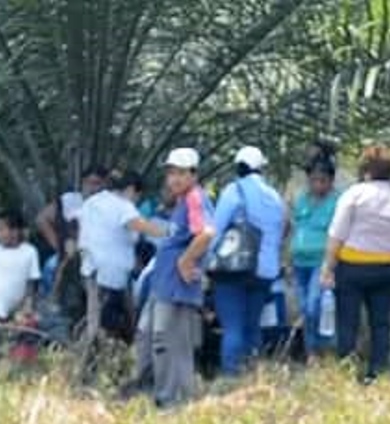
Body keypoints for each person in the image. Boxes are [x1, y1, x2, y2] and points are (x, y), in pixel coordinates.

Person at [321, 146, 390, 384]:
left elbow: (337, 235)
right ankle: (377, 372)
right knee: (381, 324)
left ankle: (346, 371)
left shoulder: (354, 195)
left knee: (348, 323)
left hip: (351, 267)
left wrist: (328, 267)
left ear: (365, 170)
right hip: (385, 269)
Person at [144, 148, 215, 407]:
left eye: (181, 173)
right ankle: (167, 395)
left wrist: (185, 260)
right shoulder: (183, 202)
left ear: (194, 175)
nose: (174, 179)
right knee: (162, 339)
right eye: (171, 173)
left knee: (172, 342)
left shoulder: (195, 199)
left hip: (177, 287)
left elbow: (206, 233)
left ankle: (175, 400)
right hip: (166, 286)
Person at [210, 146, 287, 377]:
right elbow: (279, 232)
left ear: (238, 167)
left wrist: (204, 262)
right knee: (252, 326)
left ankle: (230, 378)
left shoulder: (234, 191)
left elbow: (215, 231)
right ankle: (254, 375)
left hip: (234, 270)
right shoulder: (274, 196)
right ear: (261, 168)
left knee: (232, 327)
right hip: (264, 273)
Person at [78, 170, 166, 342]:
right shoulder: (124, 206)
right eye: (137, 197)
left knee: (94, 320)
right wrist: (168, 232)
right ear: (132, 190)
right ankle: (98, 359)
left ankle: (85, 361)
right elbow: (136, 224)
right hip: (109, 276)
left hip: (90, 269)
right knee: (105, 324)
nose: (136, 202)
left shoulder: (93, 201)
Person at [291, 155, 341, 358]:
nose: (317, 185)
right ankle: (310, 351)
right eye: (313, 180)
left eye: (322, 180)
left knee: (315, 306)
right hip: (299, 261)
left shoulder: (337, 201)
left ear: (331, 180)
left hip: (321, 262)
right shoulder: (302, 199)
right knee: (304, 308)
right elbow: (296, 225)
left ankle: (323, 349)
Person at [35, 165, 109, 298]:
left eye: (98, 184)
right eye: (89, 183)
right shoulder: (70, 200)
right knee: (52, 267)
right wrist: (58, 246)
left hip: (95, 258)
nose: (93, 188)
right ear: (83, 183)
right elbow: (42, 220)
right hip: (68, 252)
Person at [0, 210, 41, 321]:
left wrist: (28, 305)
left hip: (17, 313)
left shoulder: (30, 251)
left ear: (15, 231)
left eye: (0, 230)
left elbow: (31, 283)